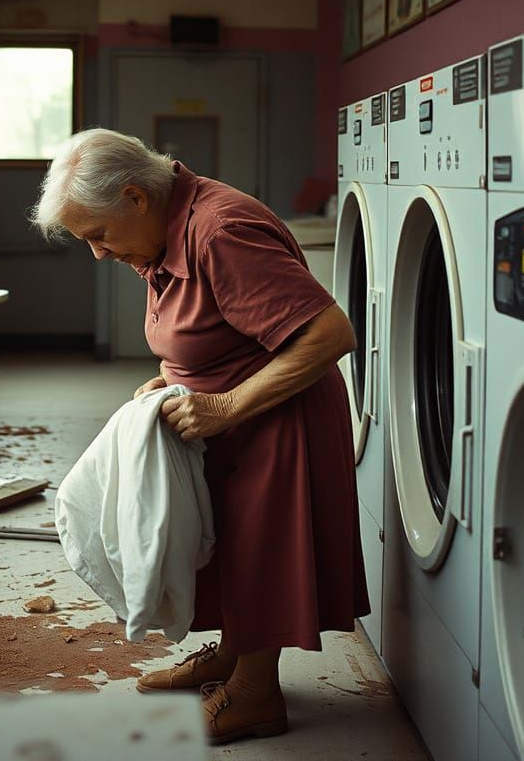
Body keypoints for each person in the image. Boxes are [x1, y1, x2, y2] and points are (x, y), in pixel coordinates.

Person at [31, 128, 369, 746]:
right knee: (229, 544)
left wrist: (229, 404)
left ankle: (255, 694)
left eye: (97, 235)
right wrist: (168, 377)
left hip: (275, 416)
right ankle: (234, 656)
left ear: (136, 197)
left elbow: (330, 336)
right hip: (225, 414)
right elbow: (215, 322)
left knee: (259, 546)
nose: (98, 254)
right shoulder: (162, 230)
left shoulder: (221, 232)